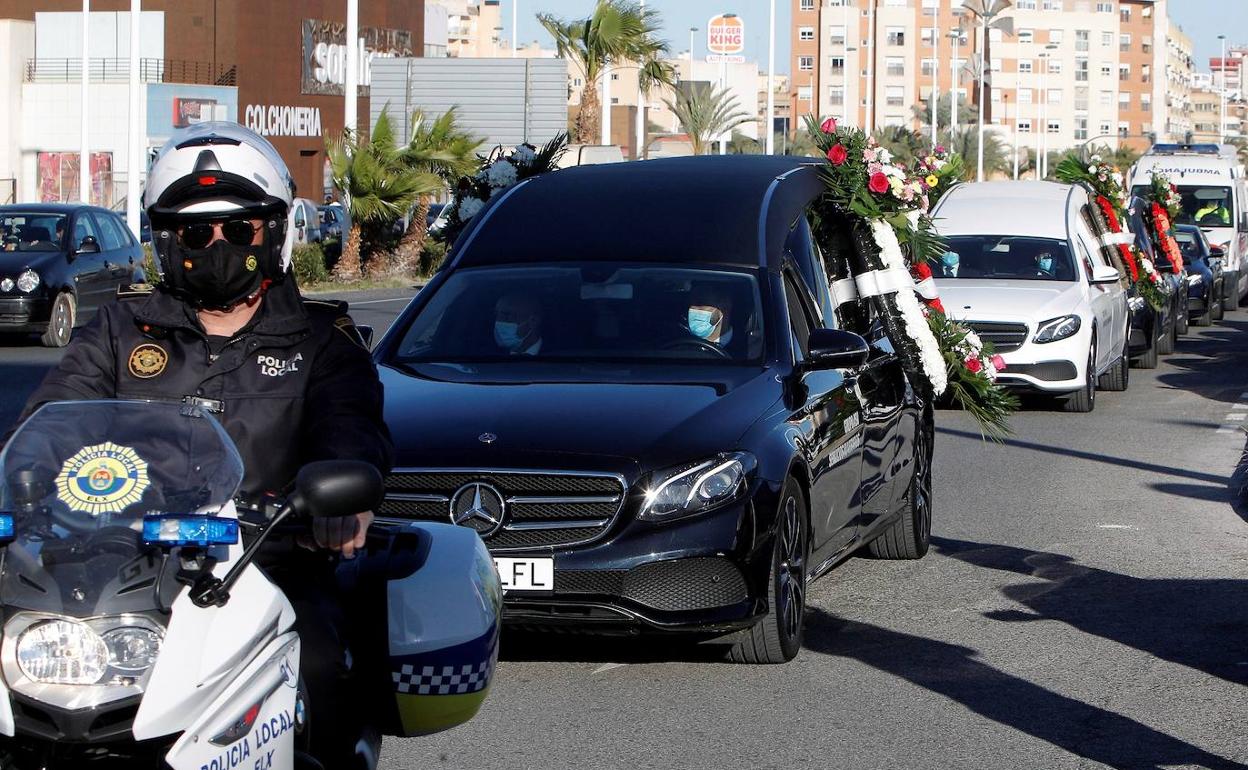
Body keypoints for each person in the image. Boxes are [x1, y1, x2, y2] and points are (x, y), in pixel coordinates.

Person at [11, 122, 392, 769]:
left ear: (273, 232)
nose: (217, 245)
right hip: (109, 572)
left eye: (238, 230)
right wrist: (21, 479)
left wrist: (340, 496)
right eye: (195, 233)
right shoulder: (118, 331)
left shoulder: (321, 342)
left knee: (322, 666)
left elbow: (352, 429)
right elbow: (46, 426)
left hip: (264, 571)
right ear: (166, 239)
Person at [686, 283, 734, 347]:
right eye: (690, 303)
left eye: (701, 303)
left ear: (725, 307)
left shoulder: (745, 348)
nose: (691, 309)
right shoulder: (680, 341)